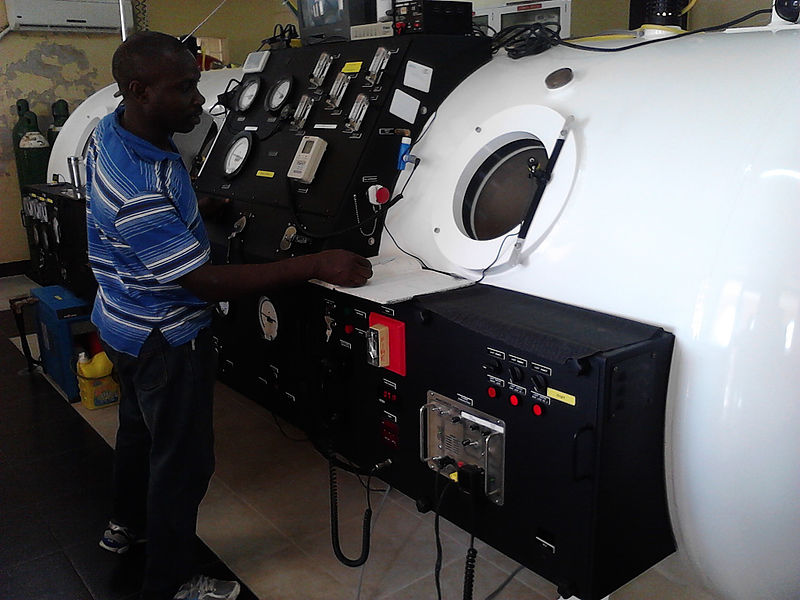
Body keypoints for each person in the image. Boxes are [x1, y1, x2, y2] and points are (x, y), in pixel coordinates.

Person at [86, 31, 372, 600]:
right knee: (183, 464)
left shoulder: (117, 131)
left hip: (120, 318)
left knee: (139, 435)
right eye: (185, 87)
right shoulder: (137, 183)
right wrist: (315, 262)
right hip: (164, 336)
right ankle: (170, 581)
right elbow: (202, 280)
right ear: (139, 90)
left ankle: (125, 527)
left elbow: (162, 201)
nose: (202, 99)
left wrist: (197, 202)